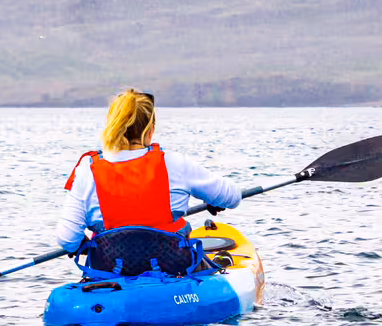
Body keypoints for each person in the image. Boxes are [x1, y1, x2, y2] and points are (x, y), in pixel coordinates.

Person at [53, 89, 242, 262]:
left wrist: (85, 245)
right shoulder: (174, 163)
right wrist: (213, 200)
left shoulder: (88, 170)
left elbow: (67, 239)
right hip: (172, 269)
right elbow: (232, 197)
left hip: (110, 273)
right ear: (149, 130)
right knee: (222, 260)